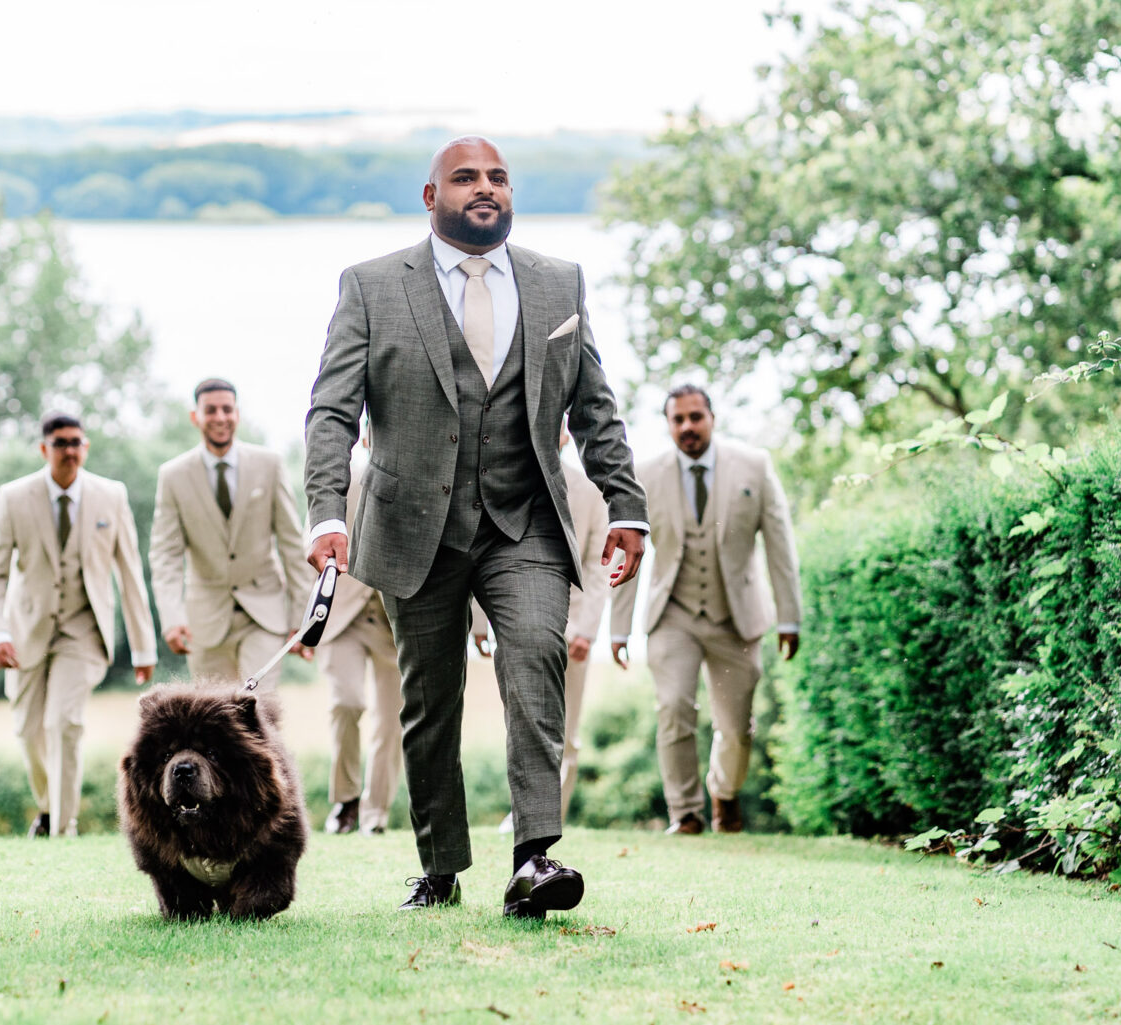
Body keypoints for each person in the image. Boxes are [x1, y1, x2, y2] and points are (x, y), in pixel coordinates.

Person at [304, 136, 647, 919]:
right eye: (465, 178)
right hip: (411, 524)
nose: (485, 188)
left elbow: (594, 406)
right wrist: (326, 511)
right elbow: (331, 411)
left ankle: (534, 858)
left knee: (536, 661)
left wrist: (624, 505)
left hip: (524, 520)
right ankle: (440, 867)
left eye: (497, 177)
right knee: (431, 704)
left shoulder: (559, 281)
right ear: (432, 197)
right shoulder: (371, 286)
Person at [609, 384, 802, 835]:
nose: (687, 427)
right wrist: (619, 628)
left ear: (711, 418)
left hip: (736, 616)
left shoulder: (754, 466)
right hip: (672, 615)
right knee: (673, 707)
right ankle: (686, 813)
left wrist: (789, 617)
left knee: (735, 728)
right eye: (677, 419)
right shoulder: (645, 473)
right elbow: (627, 550)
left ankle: (724, 791)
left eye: (695, 417)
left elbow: (780, 545)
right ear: (668, 424)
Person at [0, 412, 157, 838]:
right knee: (28, 730)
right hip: (25, 631)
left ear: (85, 447)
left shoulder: (111, 495)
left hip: (84, 631)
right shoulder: (13, 498)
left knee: (63, 722)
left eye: (76, 442)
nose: (70, 451)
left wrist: (143, 647)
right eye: (60, 443)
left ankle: (62, 827)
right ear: (44, 449)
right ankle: (47, 807)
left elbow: (130, 574)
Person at [472, 421, 611, 831]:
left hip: (573, 627)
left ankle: (548, 818)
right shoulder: (502, 481)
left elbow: (598, 566)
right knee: (521, 719)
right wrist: (479, 623)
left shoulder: (589, 491)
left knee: (566, 729)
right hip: (513, 622)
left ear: (565, 435)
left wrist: (586, 629)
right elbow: (479, 551)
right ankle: (525, 811)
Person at [150, 378, 316, 690]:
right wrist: (172, 617)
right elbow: (165, 555)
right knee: (215, 714)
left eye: (227, 409)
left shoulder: (269, 465)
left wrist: (302, 617)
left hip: (264, 613)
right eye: (211, 410)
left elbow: (292, 545)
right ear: (195, 416)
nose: (220, 417)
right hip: (205, 622)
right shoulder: (173, 476)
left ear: (237, 414)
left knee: (258, 706)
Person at [318, 434, 402, 837]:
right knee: (346, 703)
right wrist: (303, 620)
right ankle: (346, 798)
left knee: (393, 721)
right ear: (368, 435)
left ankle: (376, 813)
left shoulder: (420, 480)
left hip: (396, 621)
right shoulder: (338, 484)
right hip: (342, 617)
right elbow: (308, 547)